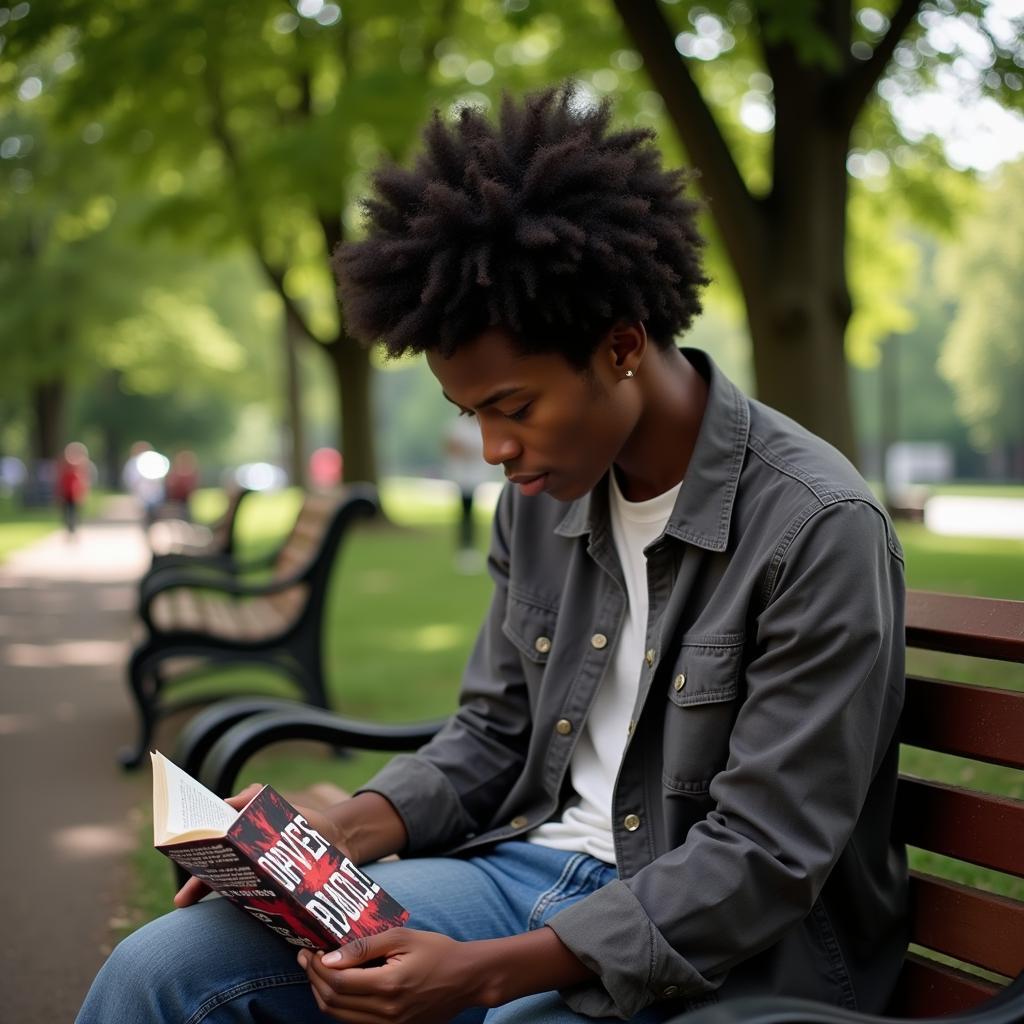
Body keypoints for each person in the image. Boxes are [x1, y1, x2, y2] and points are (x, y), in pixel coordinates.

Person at [78, 86, 907, 1023]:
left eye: (513, 408)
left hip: (727, 958)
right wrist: (337, 830)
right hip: (525, 875)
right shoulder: (544, 497)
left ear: (622, 347)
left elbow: (763, 856)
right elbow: (493, 732)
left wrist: (488, 974)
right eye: (470, 415)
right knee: (166, 970)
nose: (494, 450)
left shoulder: (815, 527)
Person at [444, 412, 492, 572]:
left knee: (472, 515)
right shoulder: (459, 425)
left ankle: (470, 548)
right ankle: (464, 548)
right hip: (462, 479)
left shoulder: (481, 425)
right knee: (465, 514)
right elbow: (451, 447)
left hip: (477, 478)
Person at [55, 441, 91, 536]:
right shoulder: (66, 466)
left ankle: (73, 528)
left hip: (75, 493)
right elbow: (61, 480)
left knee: (75, 512)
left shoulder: (80, 466)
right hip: (67, 493)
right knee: (67, 512)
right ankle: (70, 528)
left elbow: (83, 481)